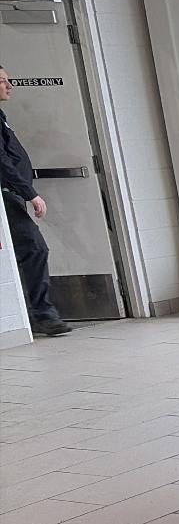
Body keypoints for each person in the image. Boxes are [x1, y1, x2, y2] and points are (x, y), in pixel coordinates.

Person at [0, 65, 71, 337]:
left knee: (29, 250)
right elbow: (2, 162)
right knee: (34, 247)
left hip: (12, 193)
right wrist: (30, 194)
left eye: (8, 80)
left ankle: (35, 312)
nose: (9, 86)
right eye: (2, 81)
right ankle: (42, 314)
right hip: (7, 194)